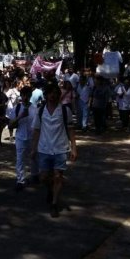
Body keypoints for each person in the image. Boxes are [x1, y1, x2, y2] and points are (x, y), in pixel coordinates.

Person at [31, 81, 77, 218]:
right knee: (44, 177)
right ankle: (51, 191)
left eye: (56, 94)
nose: (53, 96)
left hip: (60, 148)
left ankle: (54, 203)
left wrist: (74, 148)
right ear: (46, 95)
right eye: (50, 94)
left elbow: (70, 129)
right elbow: (37, 131)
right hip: (44, 148)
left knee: (58, 176)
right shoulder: (40, 111)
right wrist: (33, 149)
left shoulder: (65, 110)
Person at [8, 86, 38, 190]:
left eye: (27, 95)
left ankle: (34, 175)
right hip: (20, 137)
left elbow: (37, 126)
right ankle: (20, 180)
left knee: (33, 157)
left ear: (30, 96)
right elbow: (10, 125)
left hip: (32, 137)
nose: (25, 97)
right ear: (21, 96)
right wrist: (20, 116)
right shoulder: (16, 108)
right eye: (23, 95)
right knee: (20, 159)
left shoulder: (35, 109)